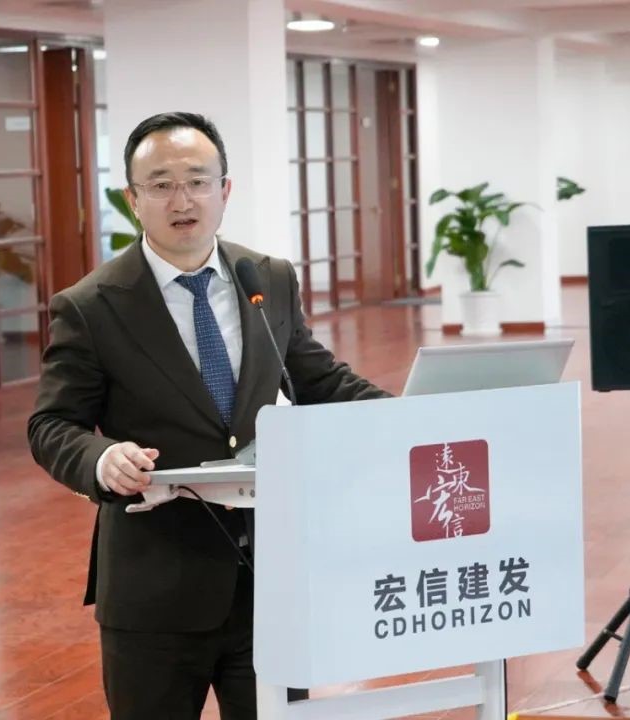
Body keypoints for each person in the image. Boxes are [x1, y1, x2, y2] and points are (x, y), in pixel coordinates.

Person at [27, 111, 389, 720]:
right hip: (155, 590)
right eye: (161, 184)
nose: (182, 200)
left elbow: (319, 380)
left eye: (197, 181)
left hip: (268, 578)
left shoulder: (266, 278)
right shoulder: (91, 306)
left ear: (225, 189)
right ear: (132, 199)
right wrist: (102, 458)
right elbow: (52, 425)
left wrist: (408, 419)